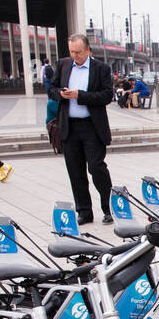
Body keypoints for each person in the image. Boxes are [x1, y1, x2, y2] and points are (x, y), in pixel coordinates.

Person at [48, 34, 115, 225]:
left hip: (92, 127)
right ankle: (84, 211)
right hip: (69, 126)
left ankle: (108, 208)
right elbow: (51, 89)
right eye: (71, 52)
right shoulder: (63, 65)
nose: (74, 55)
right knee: (75, 171)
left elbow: (107, 96)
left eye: (78, 52)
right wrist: (61, 94)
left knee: (96, 167)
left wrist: (80, 95)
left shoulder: (100, 69)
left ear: (88, 50)